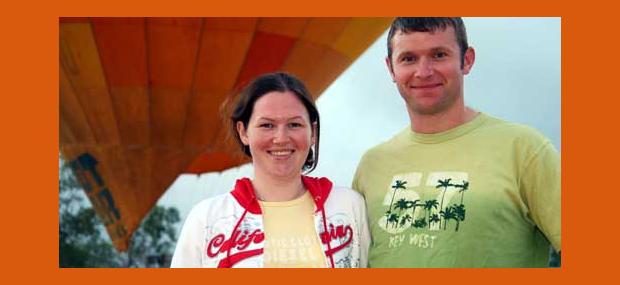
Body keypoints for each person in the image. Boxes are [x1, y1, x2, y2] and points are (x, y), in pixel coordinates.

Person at [352, 17, 560, 267]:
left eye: (439, 55)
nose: (423, 71)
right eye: (408, 58)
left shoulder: (524, 149)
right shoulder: (371, 165)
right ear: (390, 68)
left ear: (467, 60)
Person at [171, 72, 369, 268]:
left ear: (313, 133)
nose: (281, 138)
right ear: (243, 132)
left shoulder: (349, 207)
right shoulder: (206, 219)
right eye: (267, 125)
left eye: (294, 124)